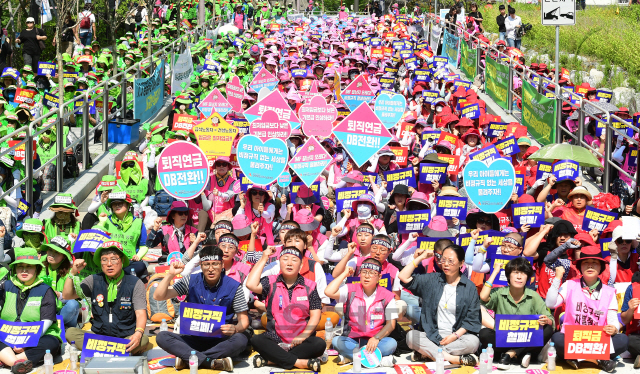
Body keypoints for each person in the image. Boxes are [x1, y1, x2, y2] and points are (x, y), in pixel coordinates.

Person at [153, 246, 249, 371]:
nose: (210, 269)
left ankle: (190, 358)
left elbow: (244, 321)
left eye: (215, 264)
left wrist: (235, 328)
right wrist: (170, 275)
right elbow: (158, 296)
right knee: (162, 337)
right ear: (201, 266)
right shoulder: (191, 280)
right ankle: (209, 362)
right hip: (193, 339)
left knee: (241, 339)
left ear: (222, 265)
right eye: (206, 264)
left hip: (220, 340)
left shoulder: (234, 286)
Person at [546, 246, 628, 373]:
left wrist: (614, 328)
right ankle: (599, 360)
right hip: (573, 338)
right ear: (580, 267)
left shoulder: (610, 292)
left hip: (598, 340)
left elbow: (612, 320)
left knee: (622, 340)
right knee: (557, 338)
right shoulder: (569, 285)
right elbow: (550, 303)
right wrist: (557, 278)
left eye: (595, 263)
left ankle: (577, 358)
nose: (590, 266)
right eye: (586, 263)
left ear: (601, 267)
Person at [399, 245, 480, 366]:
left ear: (461, 263)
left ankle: (428, 354)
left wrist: (454, 336)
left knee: (473, 342)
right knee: (411, 337)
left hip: (456, 339)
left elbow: (472, 318)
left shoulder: (469, 287)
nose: (445, 264)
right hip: (431, 335)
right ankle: (452, 358)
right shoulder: (432, 280)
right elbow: (403, 277)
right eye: (443, 259)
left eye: (451, 261)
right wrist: (421, 257)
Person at [63, 241, 150, 354]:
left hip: (125, 337)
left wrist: (138, 333)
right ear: (100, 263)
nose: (109, 264)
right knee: (70, 333)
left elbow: (140, 313)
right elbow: (67, 295)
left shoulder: (134, 283)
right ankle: (116, 352)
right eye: (104, 260)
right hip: (99, 337)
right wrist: (73, 272)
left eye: (114, 259)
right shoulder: (93, 280)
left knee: (143, 339)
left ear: (122, 260)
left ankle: (102, 352)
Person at [246, 246, 324, 371]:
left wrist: (303, 336)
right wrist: (264, 257)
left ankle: (271, 360)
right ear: (279, 263)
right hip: (275, 339)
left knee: (319, 344)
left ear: (301, 264)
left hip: (300, 342)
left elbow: (315, 316)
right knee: (257, 340)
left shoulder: (310, 286)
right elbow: (250, 284)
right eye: (285, 259)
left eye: (294, 260)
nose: (289, 263)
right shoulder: (270, 282)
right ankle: (298, 362)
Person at [479, 258, 555, 370]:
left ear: (527, 278)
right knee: (484, 333)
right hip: (505, 339)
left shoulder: (533, 295)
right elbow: (483, 297)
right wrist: (495, 272)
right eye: (515, 272)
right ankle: (522, 355)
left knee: (548, 329)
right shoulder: (499, 293)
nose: (519, 276)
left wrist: (546, 320)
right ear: (509, 276)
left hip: (526, 338)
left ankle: (510, 354)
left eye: (523, 273)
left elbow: (550, 320)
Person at [325, 258, 398, 366]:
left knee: (391, 343)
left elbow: (391, 325)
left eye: (372, 273)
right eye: (364, 272)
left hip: (375, 341)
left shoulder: (388, 296)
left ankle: (352, 358)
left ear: (379, 277)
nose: (367, 276)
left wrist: (376, 338)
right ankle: (377, 361)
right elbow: (328, 292)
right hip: (353, 340)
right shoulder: (350, 289)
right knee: (337, 341)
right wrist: (345, 274)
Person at [0, 247, 62, 373]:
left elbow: (47, 321)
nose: (24, 270)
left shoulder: (46, 290)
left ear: (37, 269)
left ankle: (8, 360)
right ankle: (17, 363)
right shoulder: (5, 286)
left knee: (51, 343)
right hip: (8, 334)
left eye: (29, 266)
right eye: (20, 266)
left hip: (36, 337)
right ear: (14, 269)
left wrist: (26, 342)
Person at [40, 236, 82, 329]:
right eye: (50, 250)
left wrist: (60, 295)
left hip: (62, 313)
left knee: (73, 304)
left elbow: (78, 297)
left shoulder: (71, 273)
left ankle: (61, 327)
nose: (51, 254)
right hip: (42, 311)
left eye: (57, 252)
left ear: (64, 257)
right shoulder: (39, 266)